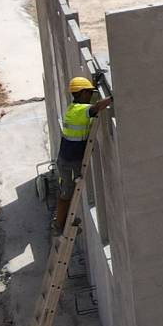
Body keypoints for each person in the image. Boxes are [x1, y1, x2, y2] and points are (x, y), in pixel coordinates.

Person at [51, 75, 113, 231]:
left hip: (67, 158)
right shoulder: (81, 111)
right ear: (83, 93)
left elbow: (90, 106)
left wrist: (94, 84)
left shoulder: (73, 108)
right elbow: (96, 107)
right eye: (89, 92)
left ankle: (63, 221)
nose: (91, 95)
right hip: (70, 161)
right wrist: (114, 96)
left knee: (68, 191)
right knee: (67, 193)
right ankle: (59, 225)